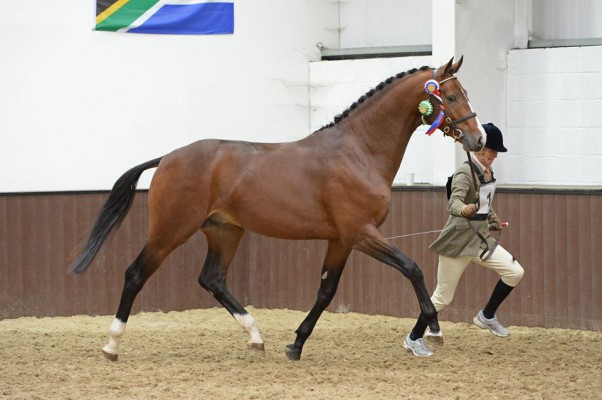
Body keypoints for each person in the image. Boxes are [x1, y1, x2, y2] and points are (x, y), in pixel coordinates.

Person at [403, 123, 524, 357]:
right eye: (492, 151)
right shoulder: (465, 172)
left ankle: (486, 316)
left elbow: (484, 202)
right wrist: (465, 209)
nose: (494, 156)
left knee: (515, 272)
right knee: (442, 297)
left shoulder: (487, 173)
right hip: (458, 243)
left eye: (496, 152)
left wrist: (491, 216)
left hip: (480, 240)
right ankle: (413, 338)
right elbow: (454, 202)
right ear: (480, 148)